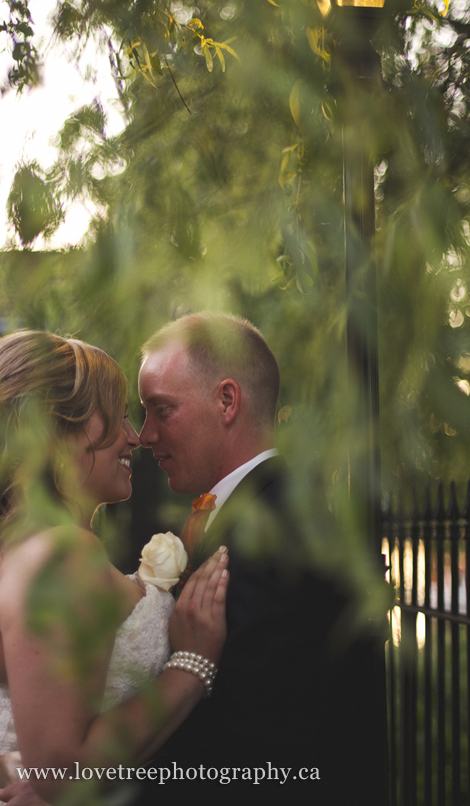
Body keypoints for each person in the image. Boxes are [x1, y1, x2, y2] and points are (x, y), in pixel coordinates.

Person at [0, 330, 228, 806]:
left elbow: (24, 746)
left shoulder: (22, 548)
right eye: (116, 418)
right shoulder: (63, 555)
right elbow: (63, 774)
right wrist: (191, 667)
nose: (134, 437)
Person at [134, 311, 388, 805]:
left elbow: (246, 756)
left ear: (227, 401)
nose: (145, 435)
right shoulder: (265, 512)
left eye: (161, 410)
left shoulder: (277, 538)